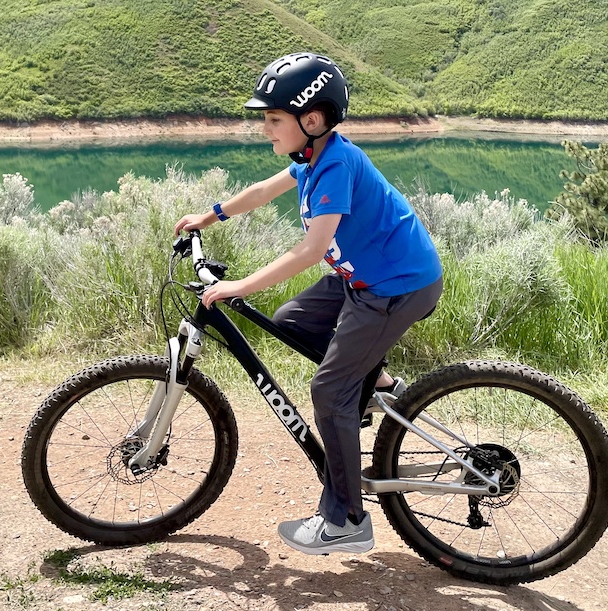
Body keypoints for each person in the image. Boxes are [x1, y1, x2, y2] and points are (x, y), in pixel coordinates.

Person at [173, 52, 443, 555]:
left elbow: (311, 250)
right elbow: (259, 192)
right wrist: (208, 216)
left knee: (327, 390)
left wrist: (238, 287)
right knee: (289, 322)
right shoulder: (311, 159)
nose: (267, 130)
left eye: (274, 120)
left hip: (394, 286)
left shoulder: (336, 164)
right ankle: (372, 378)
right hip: (362, 279)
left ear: (312, 119)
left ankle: (345, 521)